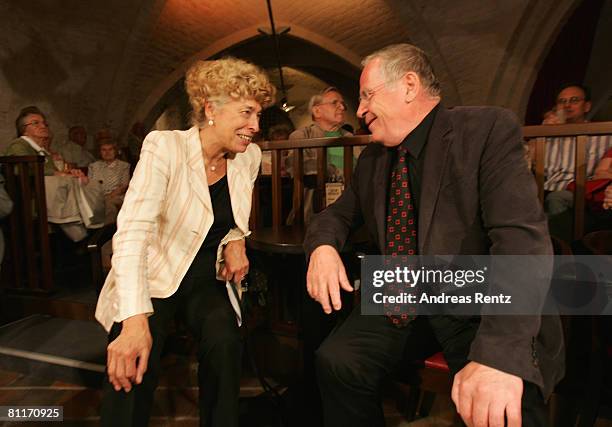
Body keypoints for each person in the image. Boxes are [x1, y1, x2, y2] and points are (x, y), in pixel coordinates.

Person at [304, 43, 564, 426]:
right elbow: (337, 215)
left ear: (409, 85)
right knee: (338, 360)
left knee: (503, 405)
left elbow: (521, 242)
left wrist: (499, 354)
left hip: (479, 305)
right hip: (404, 295)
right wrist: (323, 247)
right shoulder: (373, 159)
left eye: (367, 95)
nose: (359, 110)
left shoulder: (484, 130)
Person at [95, 57, 274, 427]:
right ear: (211, 109)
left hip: (206, 276)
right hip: (153, 274)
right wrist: (132, 320)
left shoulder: (249, 156)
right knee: (135, 354)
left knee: (225, 343)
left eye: (258, 115)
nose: (255, 126)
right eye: (247, 112)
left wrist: (236, 240)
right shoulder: (165, 147)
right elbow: (131, 233)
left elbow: (232, 218)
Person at [542, 84, 611, 217]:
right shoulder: (547, 134)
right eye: (562, 101)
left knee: (556, 199)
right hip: (546, 189)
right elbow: (529, 163)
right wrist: (541, 133)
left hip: (582, 193)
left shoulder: (603, 134)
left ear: (587, 106)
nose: (567, 105)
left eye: (574, 100)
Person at [87, 141, 131, 224]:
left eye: (110, 149)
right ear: (100, 152)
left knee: (108, 204)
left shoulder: (124, 166)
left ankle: (106, 231)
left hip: (116, 196)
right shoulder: (93, 166)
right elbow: (90, 185)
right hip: (97, 196)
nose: (107, 152)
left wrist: (108, 196)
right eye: (104, 150)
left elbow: (124, 185)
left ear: (115, 151)